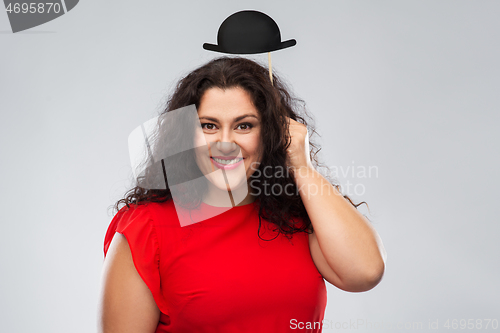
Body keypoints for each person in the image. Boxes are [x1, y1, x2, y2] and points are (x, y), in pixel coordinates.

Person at [98, 56, 387, 333]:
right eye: (209, 126)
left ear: (271, 133)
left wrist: (302, 167)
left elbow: (365, 272)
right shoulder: (146, 227)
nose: (226, 143)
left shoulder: (299, 214)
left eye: (244, 125)